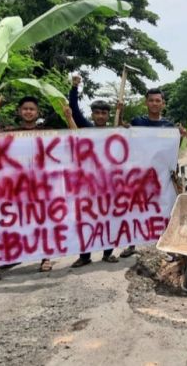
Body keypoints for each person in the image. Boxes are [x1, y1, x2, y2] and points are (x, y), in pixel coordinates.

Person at [0, 95, 77, 272]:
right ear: (19, 111)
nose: (28, 112)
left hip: (43, 187)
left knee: (43, 220)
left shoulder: (48, 132)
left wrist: (69, 117)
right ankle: (15, 255)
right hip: (17, 186)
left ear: (37, 112)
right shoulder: (9, 132)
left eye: (31, 109)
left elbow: (75, 137)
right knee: (17, 220)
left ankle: (45, 256)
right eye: (25, 108)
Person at [122, 88, 186, 259]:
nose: (155, 103)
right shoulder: (137, 122)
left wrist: (181, 137)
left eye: (158, 101)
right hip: (140, 174)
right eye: (151, 100)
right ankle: (132, 243)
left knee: (165, 208)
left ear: (163, 104)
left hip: (162, 175)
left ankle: (166, 243)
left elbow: (172, 151)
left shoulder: (169, 126)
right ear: (146, 102)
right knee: (136, 207)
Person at [68, 75, 120, 267]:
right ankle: (84, 256)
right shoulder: (86, 128)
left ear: (108, 115)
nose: (100, 116)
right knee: (86, 220)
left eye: (103, 113)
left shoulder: (115, 133)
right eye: (97, 113)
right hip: (87, 184)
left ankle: (108, 253)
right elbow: (74, 110)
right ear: (92, 115)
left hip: (108, 184)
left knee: (109, 219)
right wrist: (74, 88)